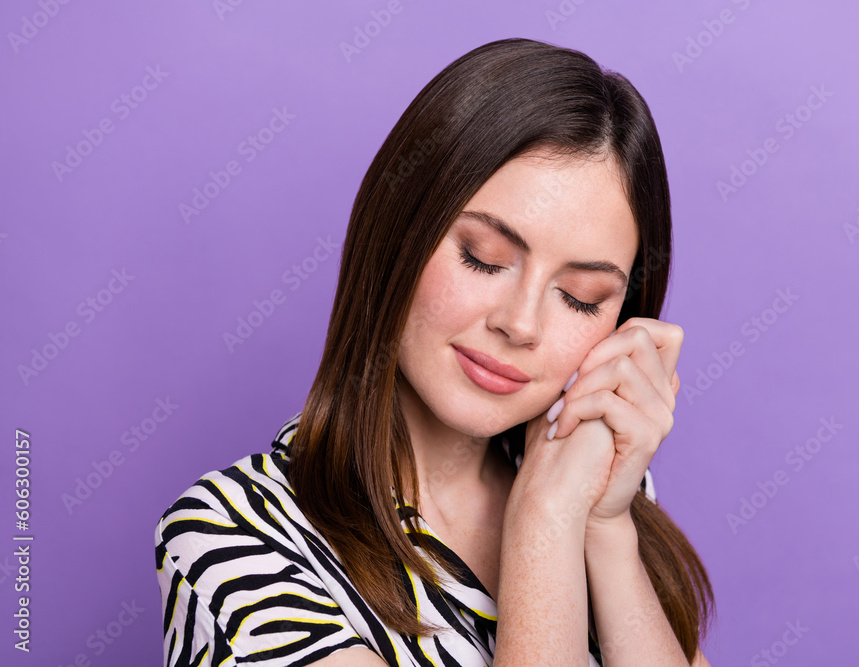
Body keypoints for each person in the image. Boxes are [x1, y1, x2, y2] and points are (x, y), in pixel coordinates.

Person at [155, 37, 715, 666]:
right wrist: (543, 524)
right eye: (483, 258)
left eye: (582, 297)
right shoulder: (232, 537)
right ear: (398, 233)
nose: (520, 324)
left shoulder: (595, 478)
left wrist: (606, 529)